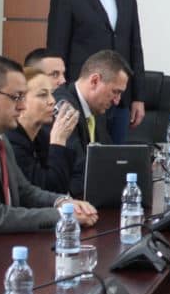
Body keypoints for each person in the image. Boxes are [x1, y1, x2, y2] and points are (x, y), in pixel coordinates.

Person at [0, 55, 97, 238]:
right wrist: (62, 216)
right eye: (16, 97)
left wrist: (63, 202)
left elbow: (23, 191)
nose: (22, 106)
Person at [47, 0, 145, 144]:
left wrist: (138, 97)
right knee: (86, 158)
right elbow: (57, 51)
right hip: (84, 99)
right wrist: (61, 96)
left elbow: (135, 46)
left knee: (116, 159)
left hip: (120, 100)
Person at [53, 49, 132, 195]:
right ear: (94, 81)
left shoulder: (96, 109)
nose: (117, 101)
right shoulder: (65, 108)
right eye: (115, 92)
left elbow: (110, 157)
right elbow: (79, 170)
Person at [6, 67, 81, 195]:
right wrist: (58, 141)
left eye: (52, 93)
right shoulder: (11, 142)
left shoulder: (41, 136)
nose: (52, 101)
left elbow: (72, 177)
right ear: (19, 101)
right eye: (42, 95)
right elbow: (50, 190)